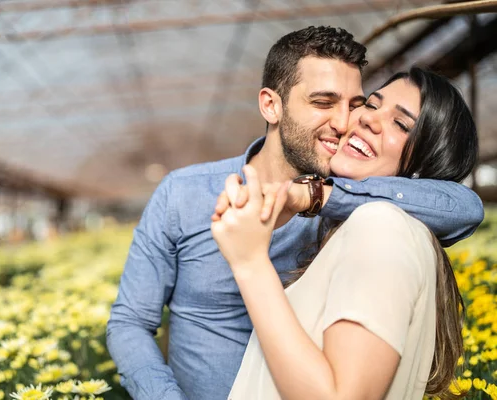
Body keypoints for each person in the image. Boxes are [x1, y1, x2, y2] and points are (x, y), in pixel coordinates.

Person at [106, 27, 484, 400]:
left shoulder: (353, 206)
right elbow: (130, 323)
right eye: (323, 102)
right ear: (271, 105)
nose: (343, 122)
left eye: (354, 104)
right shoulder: (183, 193)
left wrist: (315, 196)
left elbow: (463, 207)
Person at [212, 67, 475, 399]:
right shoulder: (378, 227)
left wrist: (250, 262)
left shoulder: (381, 227)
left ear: (427, 164)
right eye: (372, 104)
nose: (368, 119)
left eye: (401, 124)